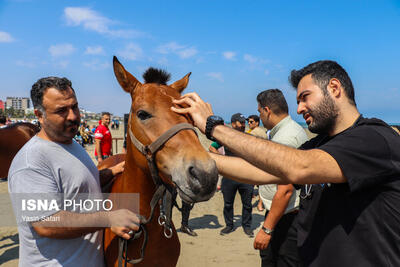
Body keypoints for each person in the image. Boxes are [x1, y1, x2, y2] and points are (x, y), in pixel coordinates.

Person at [171, 60, 400, 266]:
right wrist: (197, 156)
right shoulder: (319, 144)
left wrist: (214, 127)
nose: (299, 108)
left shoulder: (374, 138)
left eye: (305, 97)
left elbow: (299, 167)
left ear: (334, 88)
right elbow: (260, 171)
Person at [8, 77, 140, 266]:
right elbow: (45, 223)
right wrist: (109, 218)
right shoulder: (32, 161)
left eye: (75, 107)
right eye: (61, 110)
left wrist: (113, 171)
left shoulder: (71, 144)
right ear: (39, 115)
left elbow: (79, 187)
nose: (72, 116)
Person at [254, 89, 308, 267]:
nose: (260, 117)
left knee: (277, 260)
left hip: (285, 217)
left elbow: (285, 190)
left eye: (260, 112)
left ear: (267, 110)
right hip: (283, 213)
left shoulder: (285, 138)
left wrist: (267, 230)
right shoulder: (288, 130)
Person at [209, 113, 254, 237]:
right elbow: (212, 147)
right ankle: (229, 225)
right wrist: (222, 160)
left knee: (247, 204)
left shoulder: (249, 137)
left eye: (244, 122)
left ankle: (247, 226)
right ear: (233, 124)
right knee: (228, 204)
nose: (243, 125)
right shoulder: (226, 137)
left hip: (246, 177)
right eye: (241, 122)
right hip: (230, 177)